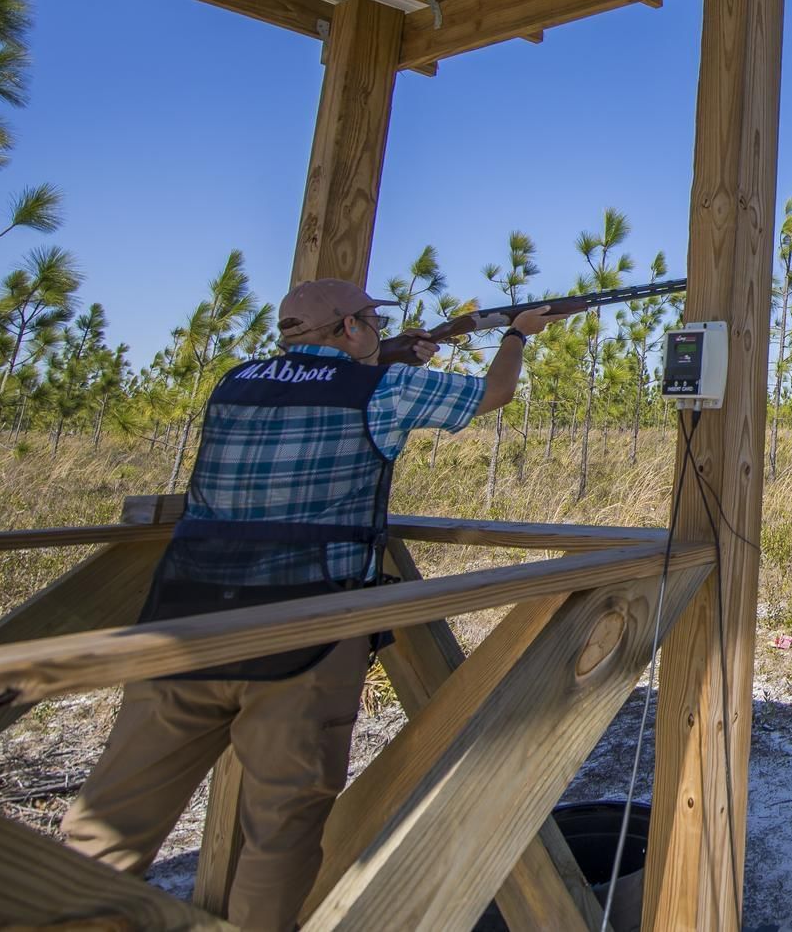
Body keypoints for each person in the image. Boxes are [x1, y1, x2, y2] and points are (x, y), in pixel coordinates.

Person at [60, 277, 562, 930]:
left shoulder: (235, 382)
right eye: (370, 322)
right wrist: (518, 334)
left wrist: (393, 354)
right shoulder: (381, 389)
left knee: (110, 823)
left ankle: (53, 913)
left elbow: (312, 386)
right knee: (281, 833)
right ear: (351, 328)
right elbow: (494, 393)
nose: (379, 329)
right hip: (306, 636)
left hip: (183, 627)